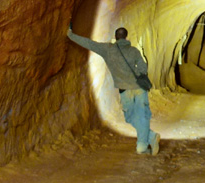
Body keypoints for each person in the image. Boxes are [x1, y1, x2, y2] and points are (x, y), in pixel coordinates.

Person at [67, 25, 160, 155]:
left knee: (130, 117)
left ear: (116, 37)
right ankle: (150, 137)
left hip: (125, 90)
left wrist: (71, 35)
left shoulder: (108, 50)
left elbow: (89, 43)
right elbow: (143, 66)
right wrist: (138, 74)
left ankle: (142, 146)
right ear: (126, 37)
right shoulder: (133, 51)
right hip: (139, 88)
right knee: (142, 116)